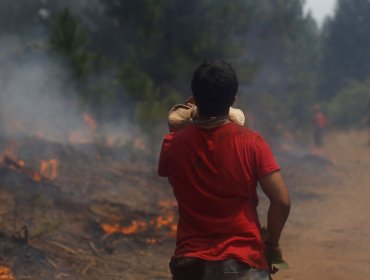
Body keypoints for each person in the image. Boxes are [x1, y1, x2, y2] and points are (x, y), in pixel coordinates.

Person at [158, 60, 290, 280]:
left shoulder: (173, 144)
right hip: (243, 262)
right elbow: (282, 201)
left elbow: (178, 184)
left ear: (194, 99)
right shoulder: (252, 143)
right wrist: (272, 243)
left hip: (191, 263)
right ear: (233, 100)